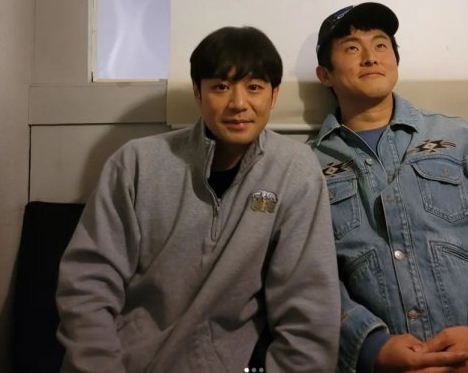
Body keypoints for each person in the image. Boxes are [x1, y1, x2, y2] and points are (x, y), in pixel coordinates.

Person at [56, 26, 340, 373]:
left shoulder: (294, 170)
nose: (238, 104)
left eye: (254, 87)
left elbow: (309, 307)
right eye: (221, 87)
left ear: (274, 95)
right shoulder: (137, 163)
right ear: (197, 92)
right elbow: (88, 285)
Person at [309, 2, 468, 373]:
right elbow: (305, 274)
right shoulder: (307, 168)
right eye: (352, 48)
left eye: (381, 45)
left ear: (395, 60)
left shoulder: (463, 139)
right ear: (325, 74)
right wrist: (372, 347)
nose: (371, 57)